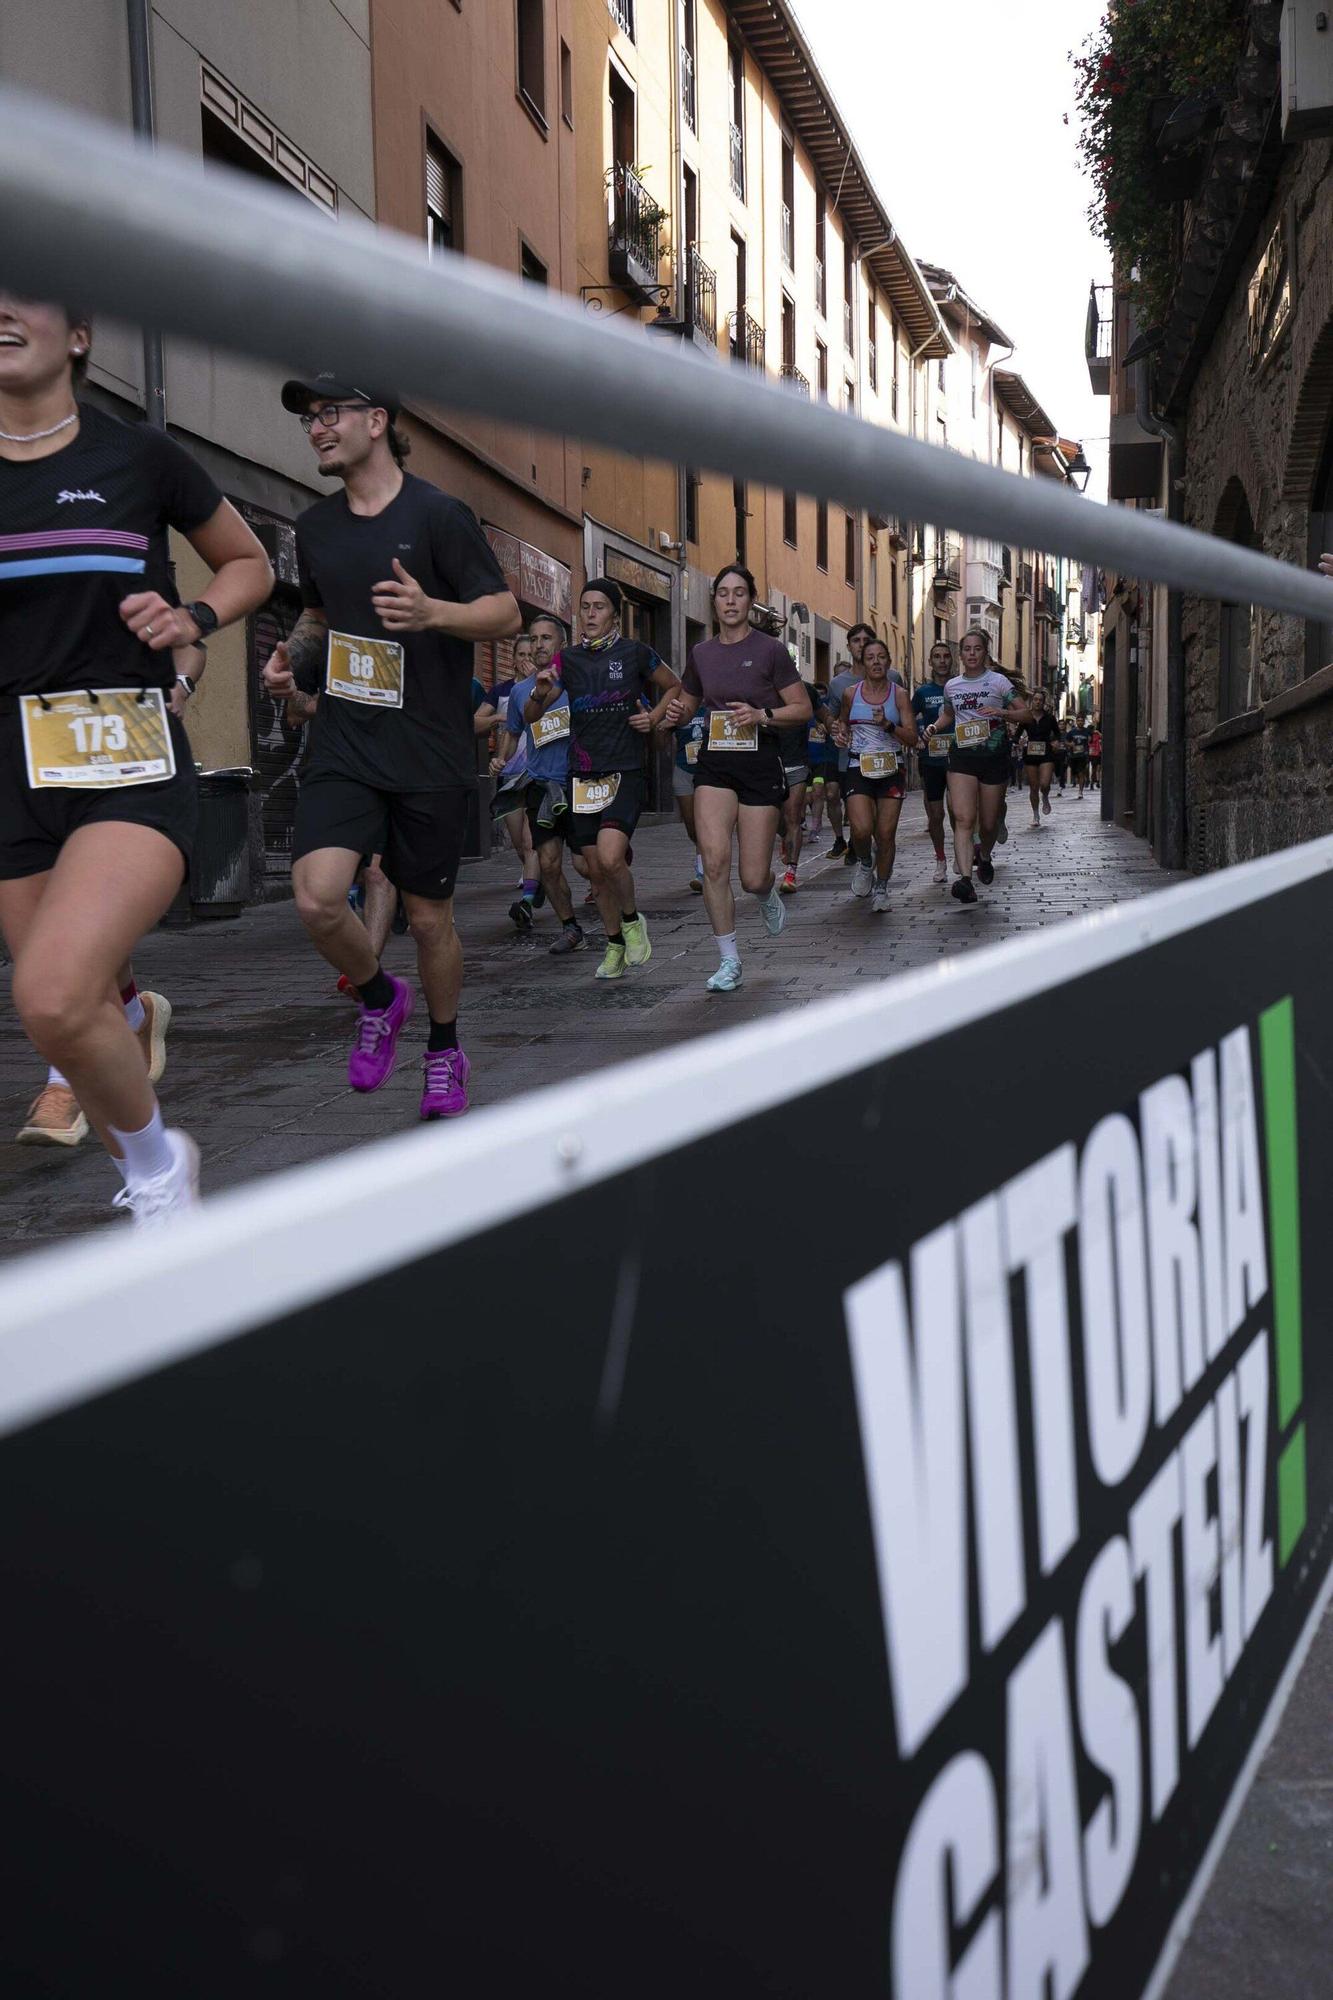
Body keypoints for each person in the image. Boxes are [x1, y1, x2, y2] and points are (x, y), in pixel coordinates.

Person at [0, 291, 272, 1218]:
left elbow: (248, 564)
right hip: (10, 769)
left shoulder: (137, 455)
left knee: (49, 992)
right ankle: (137, 1064)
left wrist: (192, 616)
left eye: (24, 297)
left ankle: (161, 1182)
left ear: (77, 337)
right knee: (69, 1013)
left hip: (126, 749)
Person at [263, 372, 520, 1120]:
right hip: (346, 737)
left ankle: (444, 1049)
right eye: (309, 418)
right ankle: (381, 996)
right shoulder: (316, 528)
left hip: (429, 750)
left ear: (376, 421)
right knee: (315, 899)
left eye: (329, 414)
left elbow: (503, 613)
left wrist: (432, 610)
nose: (315, 428)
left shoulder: (439, 516)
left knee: (430, 918)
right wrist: (294, 658)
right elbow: (318, 612)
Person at [17, 635, 205, 1144]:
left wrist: (180, 687)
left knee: (75, 930)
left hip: (119, 752)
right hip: (27, 754)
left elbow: (191, 640)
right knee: (58, 926)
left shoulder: (114, 566)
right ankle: (132, 1015)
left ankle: (64, 1081)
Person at [663, 564, 810, 993]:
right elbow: (689, 703)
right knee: (713, 862)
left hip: (760, 761)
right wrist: (677, 713)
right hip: (714, 763)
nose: (730, 600)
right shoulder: (701, 654)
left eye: (739, 593)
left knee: (751, 876)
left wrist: (763, 715)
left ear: (751, 601)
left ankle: (766, 894)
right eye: (723, 593)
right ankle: (729, 961)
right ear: (715, 601)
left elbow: (799, 708)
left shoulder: (771, 651)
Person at [524, 577, 679, 981]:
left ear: (613, 614)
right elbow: (531, 716)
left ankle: (631, 922)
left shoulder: (634, 653)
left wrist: (655, 716)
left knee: (611, 857)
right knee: (595, 869)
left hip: (625, 768)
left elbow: (674, 685)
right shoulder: (567, 660)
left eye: (599, 607)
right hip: (582, 773)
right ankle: (613, 944)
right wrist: (540, 693)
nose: (590, 614)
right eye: (585, 607)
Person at [926, 627, 1033, 905]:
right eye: (967, 649)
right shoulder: (952, 686)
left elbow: (1027, 714)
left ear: (985, 653)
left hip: (994, 758)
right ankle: (964, 880)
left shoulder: (998, 683)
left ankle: (984, 856)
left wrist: (1002, 712)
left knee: (988, 824)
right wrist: (933, 727)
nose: (972, 654)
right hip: (961, 757)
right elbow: (949, 715)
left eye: (977, 649)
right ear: (960, 654)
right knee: (962, 819)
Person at [502, 613, 587, 955]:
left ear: (561, 644)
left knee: (586, 865)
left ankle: (621, 918)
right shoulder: (521, 692)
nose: (538, 645)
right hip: (542, 786)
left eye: (546, 638)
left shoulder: (577, 682)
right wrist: (501, 760)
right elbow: (512, 732)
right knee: (549, 863)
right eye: (533, 639)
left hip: (578, 781)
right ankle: (571, 928)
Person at [831, 635, 917, 913]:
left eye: (881, 657)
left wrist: (889, 726)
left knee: (886, 833)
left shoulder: (899, 695)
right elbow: (842, 725)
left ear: (889, 661)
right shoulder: (850, 694)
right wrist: (840, 734)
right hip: (858, 768)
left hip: (891, 769)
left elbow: (913, 738)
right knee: (861, 829)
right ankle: (866, 862)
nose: (876, 662)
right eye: (870, 657)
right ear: (862, 662)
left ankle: (882, 887)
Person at [911, 641, 955, 885]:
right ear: (930, 662)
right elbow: (909, 716)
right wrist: (916, 737)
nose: (942, 660)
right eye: (937, 656)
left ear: (951, 660)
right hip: (931, 759)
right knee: (936, 815)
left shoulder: (959, 687)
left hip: (958, 758)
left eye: (946, 656)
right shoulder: (922, 693)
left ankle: (962, 852)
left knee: (958, 811)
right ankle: (940, 858)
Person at [777, 680, 815, 893]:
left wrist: (833, 725)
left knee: (793, 817)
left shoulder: (806, 690)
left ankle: (791, 872)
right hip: (769, 763)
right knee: (776, 820)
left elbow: (823, 712)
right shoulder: (760, 688)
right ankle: (784, 835)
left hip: (797, 763)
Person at [1022, 689, 1061, 827]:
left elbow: (1057, 734)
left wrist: (1056, 741)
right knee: (1033, 786)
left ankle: (1045, 796)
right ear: (1032, 701)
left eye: (1040, 700)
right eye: (1035, 699)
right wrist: (1020, 740)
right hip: (1030, 754)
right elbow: (1016, 735)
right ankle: (1035, 815)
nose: (1037, 702)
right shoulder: (1026, 717)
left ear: (1043, 703)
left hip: (1046, 754)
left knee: (1044, 784)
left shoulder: (1050, 718)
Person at [1065, 713, 1092, 799]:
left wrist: (1089, 739)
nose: (1080, 722)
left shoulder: (1087, 731)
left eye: (1082, 721)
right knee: (1075, 773)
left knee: (1081, 773)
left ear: (1084, 722)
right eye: (1078, 721)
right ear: (1076, 722)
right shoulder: (1072, 732)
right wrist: (1070, 744)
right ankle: (1079, 781)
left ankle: (1080, 791)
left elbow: (1090, 740)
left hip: (1083, 755)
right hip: (1073, 756)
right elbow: (1066, 741)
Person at [1089, 719, 1103, 791]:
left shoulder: (1097, 734)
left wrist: (1098, 732)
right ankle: (1092, 782)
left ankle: (1097, 782)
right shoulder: (1090, 735)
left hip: (1098, 753)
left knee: (1098, 768)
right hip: (1093, 753)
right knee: (1094, 768)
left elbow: (1102, 737)